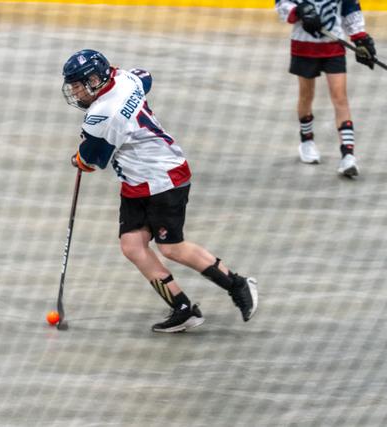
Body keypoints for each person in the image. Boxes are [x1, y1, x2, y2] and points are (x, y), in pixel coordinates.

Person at [61, 49, 258, 333]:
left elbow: (91, 160)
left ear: (94, 80)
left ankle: (238, 285)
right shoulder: (124, 78)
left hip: (164, 179)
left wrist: (78, 159)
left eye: (78, 85)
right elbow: (145, 77)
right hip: (137, 182)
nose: (75, 92)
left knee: (171, 248)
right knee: (132, 245)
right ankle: (182, 308)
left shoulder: (102, 114)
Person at [275, 0, 376, 177]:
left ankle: (348, 156)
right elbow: (282, 3)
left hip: (333, 45)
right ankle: (306, 141)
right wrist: (299, 11)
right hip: (304, 46)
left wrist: (360, 37)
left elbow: (350, 7)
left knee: (340, 97)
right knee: (306, 95)